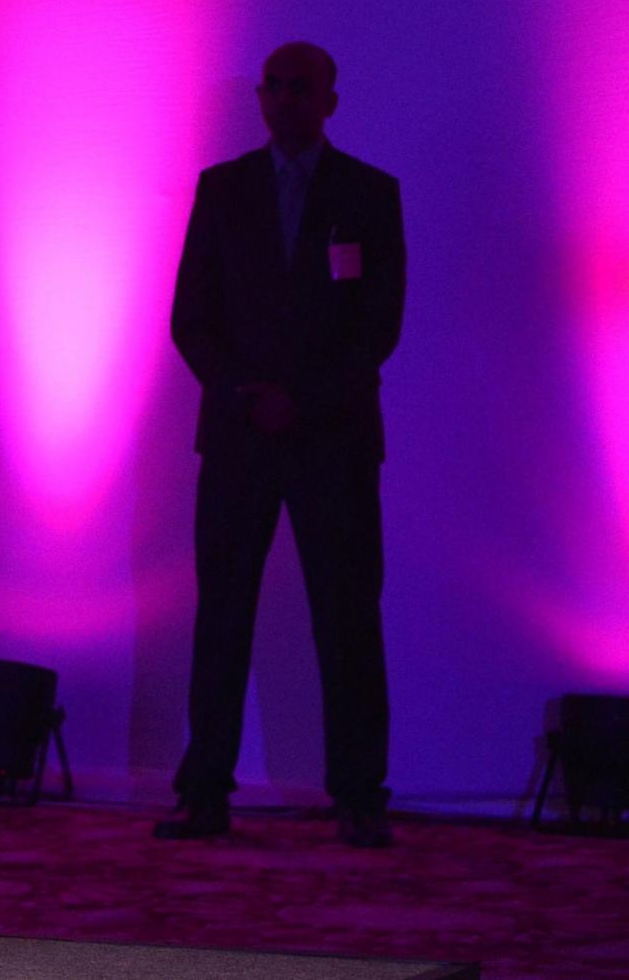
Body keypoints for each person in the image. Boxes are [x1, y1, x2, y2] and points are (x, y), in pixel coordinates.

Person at [157, 42, 405, 850]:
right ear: (262, 99)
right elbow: (189, 317)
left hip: (330, 436)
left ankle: (361, 794)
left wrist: (301, 401)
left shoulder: (370, 195)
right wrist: (247, 395)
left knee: (347, 618)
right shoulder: (221, 190)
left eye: (305, 88)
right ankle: (205, 791)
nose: (290, 100)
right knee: (223, 614)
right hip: (239, 435)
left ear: (331, 99)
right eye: (277, 87)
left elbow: (379, 326)